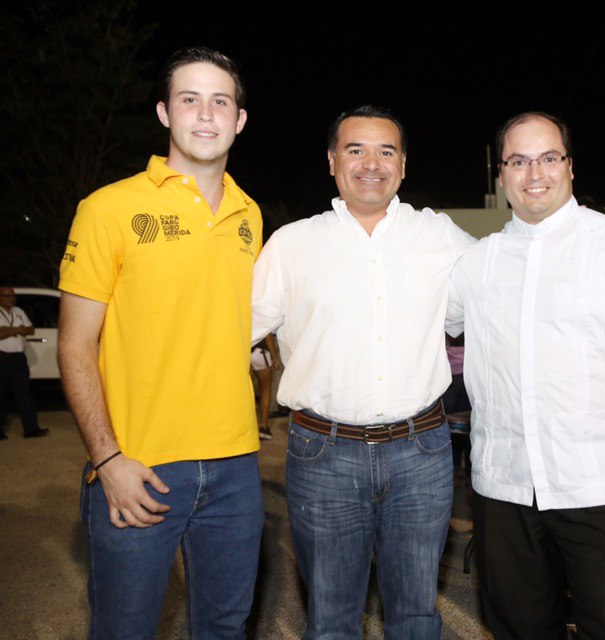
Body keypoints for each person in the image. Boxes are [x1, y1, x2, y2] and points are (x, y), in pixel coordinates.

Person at [447, 112, 605, 639]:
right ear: (501, 175)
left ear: (569, 167)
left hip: (599, 489)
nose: (534, 172)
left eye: (548, 157)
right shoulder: (478, 262)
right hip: (504, 490)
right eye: (518, 160)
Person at [57, 47, 264, 638]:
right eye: (189, 99)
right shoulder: (108, 208)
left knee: (225, 628)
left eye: (220, 101)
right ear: (164, 113)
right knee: (125, 629)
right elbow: (74, 346)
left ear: (239, 119)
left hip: (236, 469)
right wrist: (108, 459)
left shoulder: (249, 215)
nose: (206, 114)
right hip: (138, 464)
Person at [251, 105, 475, 639]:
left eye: (385, 151)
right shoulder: (291, 244)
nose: (371, 163)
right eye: (356, 150)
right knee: (331, 620)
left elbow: (504, 291)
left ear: (403, 165)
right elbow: (226, 338)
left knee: (416, 616)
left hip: (421, 453)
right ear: (332, 161)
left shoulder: (441, 237)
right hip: (322, 455)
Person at [0, 286, 47, 439]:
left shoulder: (18, 311)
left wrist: (8, 330)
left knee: (24, 394)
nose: (11, 299)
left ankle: (31, 429)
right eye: (6, 296)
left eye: (12, 296)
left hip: (19, 358)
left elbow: (31, 330)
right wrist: (18, 330)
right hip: (2, 358)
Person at [251, 334, 280, 440]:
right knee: (265, 389)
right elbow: (268, 337)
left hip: (244, 353)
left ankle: (249, 425)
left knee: (247, 391)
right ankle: (263, 426)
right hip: (260, 353)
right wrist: (274, 357)